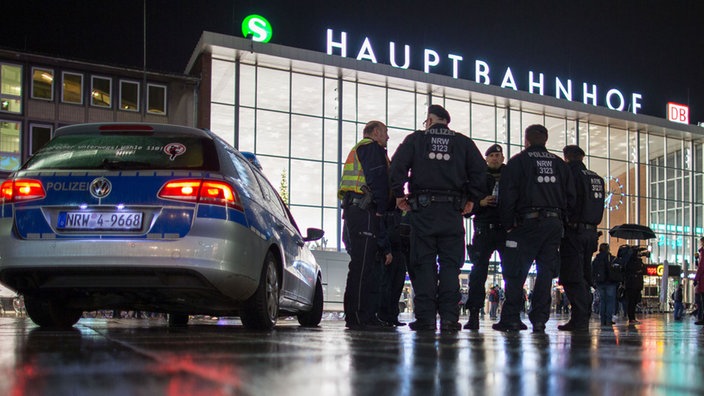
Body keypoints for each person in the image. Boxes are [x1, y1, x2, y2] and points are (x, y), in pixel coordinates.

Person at [389, 104, 487, 331]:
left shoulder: (416, 139)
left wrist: (398, 194)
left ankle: (426, 319)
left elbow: (397, 167)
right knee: (451, 266)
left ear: (431, 120)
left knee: (423, 264)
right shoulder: (463, 142)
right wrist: (472, 200)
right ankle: (450, 318)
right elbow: (480, 172)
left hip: (423, 211)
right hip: (452, 213)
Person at [493, 124, 576, 333]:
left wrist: (508, 224)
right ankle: (539, 320)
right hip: (553, 224)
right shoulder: (560, 164)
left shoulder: (518, 162)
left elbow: (507, 195)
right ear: (545, 140)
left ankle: (511, 318)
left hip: (526, 223)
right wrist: (562, 221)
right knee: (545, 273)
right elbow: (571, 198)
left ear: (526, 140)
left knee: (516, 272)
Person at [338, 120, 394, 330]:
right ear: (376, 132)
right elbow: (378, 179)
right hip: (365, 210)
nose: (387, 137)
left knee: (365, 265)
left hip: (357, 210)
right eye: (386, 133)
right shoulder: (371, 148)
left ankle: (365, 316)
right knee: (362, 267)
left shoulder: (360, 149)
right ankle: (358, 317)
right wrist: (380, 207)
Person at [557, 145, 605, 331]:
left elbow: (567, 200)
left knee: (571, 275)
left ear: (567, 157)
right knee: (585, 275)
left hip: (574, 231)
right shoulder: (596, 178)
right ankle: (582, 316)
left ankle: (579, 317)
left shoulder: (569, 174)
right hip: (591, 232)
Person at [465, 143, 507, 330]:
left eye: (498, 155)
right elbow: (466, 207)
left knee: (511, 273)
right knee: (478, 273)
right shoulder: (477, 177)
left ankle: (509, 315)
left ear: (503, 158)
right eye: (492, 155)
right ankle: (474, 313)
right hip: (483, 228)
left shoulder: (510, 176)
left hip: (505, 229)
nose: (495, 158)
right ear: (486, 158)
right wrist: (480, 203)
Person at [377, 209, 410, 326]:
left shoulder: (402, 212)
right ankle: (384, 316)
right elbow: (382, 231)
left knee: (397, 285)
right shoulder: (387, 210)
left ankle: (392, 317)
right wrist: (386, 250)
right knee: (387, 285)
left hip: (400, 252)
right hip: (389, 252)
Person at [592, 242, 618, 327]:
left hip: (600, 282)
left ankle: (603, 320)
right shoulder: (611, 258)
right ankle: (608, 320)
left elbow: (593, 271)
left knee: (602, 301)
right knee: (610, 301)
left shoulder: (596, 259)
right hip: (610, 282)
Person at [694, 237, 704, 325]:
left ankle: (702, 318)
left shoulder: (703, 253)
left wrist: (696, 279)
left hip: (703, 280)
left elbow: (701, 268)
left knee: (702, 301)